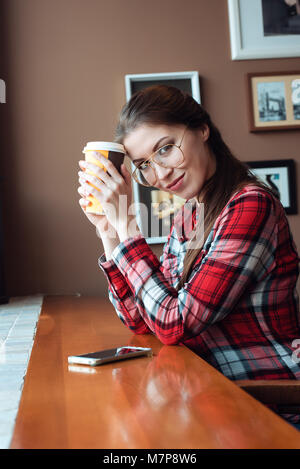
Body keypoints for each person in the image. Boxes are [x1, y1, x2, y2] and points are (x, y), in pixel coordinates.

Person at [78, 85, 300, 426]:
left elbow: (173, 323)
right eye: (144, 165)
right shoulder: (189, 215)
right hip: (210, 394)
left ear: (201, 129)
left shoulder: (249, 205)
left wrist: (129, 230)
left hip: (265, 403)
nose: (161, 173)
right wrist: (110, 232)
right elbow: (141, 320)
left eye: (165, 149)